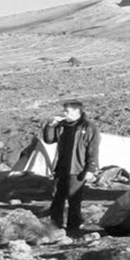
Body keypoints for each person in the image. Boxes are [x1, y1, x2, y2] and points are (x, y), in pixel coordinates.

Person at [41, 100, 100, 238]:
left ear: (77, 112)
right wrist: (50, 125)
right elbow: (49, 140)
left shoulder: (88, 127)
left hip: (77, 168)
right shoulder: (62, 126)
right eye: (64, 111)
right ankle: (55, 225)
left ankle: (74, 228)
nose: (64, 114)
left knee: (74, 199)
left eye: (67, 111)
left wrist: (91, 168)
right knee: (57, 198)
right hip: (62, 168)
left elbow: (93, 149)